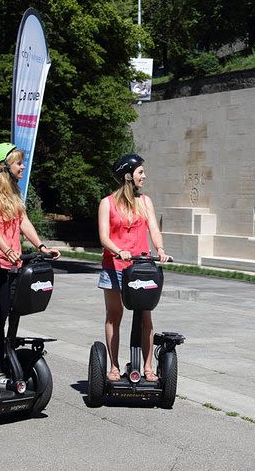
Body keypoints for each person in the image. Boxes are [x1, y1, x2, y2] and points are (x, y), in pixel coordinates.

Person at [0, 143, 60, 377]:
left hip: (8, 267)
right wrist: (7, 249)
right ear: (3, 166)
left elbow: (23, 221)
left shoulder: (14, 191)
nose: (23, 166)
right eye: (18, 162)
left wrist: (41, 246)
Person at [97, 153, 169, 382]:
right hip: (114, 266)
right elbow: (104, 237)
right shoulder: (107, 203)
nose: (144, 176)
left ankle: (148, 368)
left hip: (140, 267)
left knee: (145, 316)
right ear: (128, 176)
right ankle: (114, 366)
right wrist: (119, 251)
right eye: (140, 172)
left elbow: (153, 230)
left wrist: (160, 250)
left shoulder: (145, 201)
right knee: (114, 316)